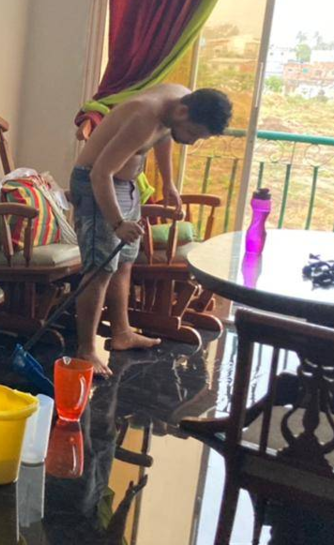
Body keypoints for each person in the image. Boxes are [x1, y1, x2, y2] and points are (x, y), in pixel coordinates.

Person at [70, 84, 232, 376]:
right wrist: (118, 223)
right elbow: (99, 173)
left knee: (124, 263)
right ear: (183, 111)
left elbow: (165, 134)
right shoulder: (144, 116)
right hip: (97, 185)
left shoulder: (179, 99)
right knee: (99, 269)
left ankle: (122, 333)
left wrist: (168, 182)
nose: (191, 141)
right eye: (194, 133)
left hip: (126, 185)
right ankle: (86, 351)